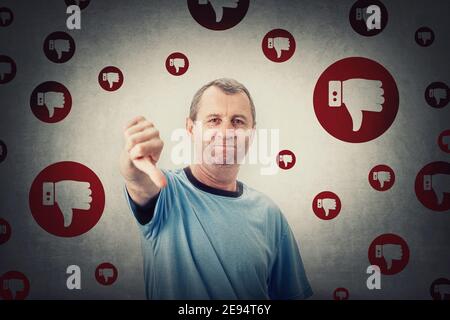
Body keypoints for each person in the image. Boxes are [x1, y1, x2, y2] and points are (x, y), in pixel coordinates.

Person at [120, 78, 312, 299]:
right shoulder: (165, 194)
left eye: (238, 121)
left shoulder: (269, 214)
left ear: (252, 133)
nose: (226, 132)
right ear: (191, 128)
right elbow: (138, 181)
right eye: (213, 120)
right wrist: (132, 162)